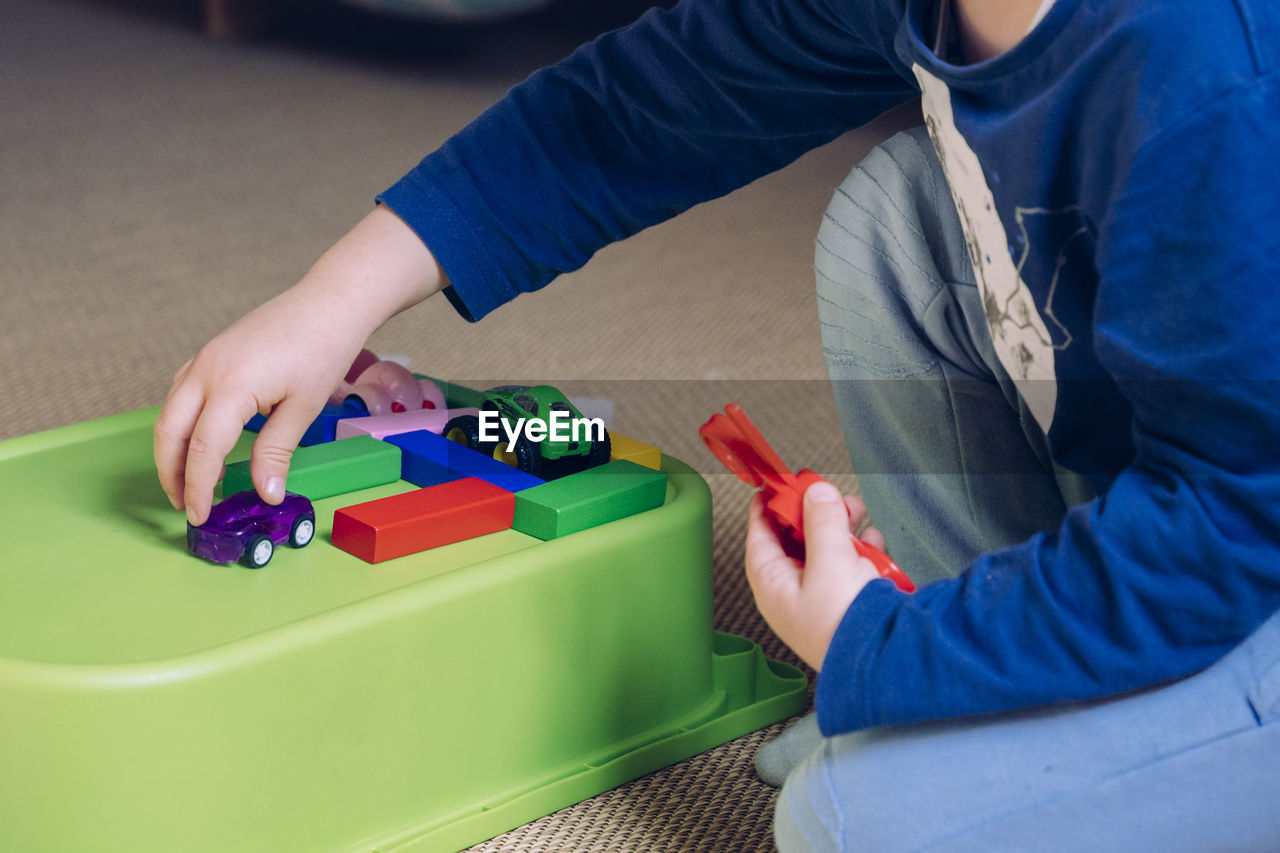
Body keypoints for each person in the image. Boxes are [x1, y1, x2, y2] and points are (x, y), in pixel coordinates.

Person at [155, 0, 1280, 848]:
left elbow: (1233, 523)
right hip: (1195, 475)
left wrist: (876, 648)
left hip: (1246, 545)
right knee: (896, 216)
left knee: (853, 818)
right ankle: (992, 658)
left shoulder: (1207, 74)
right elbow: (643, 105)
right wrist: (331, 296)